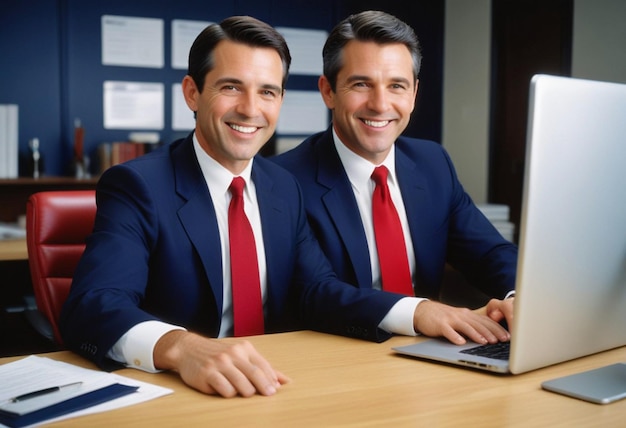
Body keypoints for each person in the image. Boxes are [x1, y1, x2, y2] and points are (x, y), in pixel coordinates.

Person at [60, 15, 510, 399]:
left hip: (277, 384)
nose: (251, 109)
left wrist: (418, 311)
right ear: (193, 94)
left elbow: (316, 290)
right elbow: (93, 304)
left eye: (268, 92)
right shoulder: (138, 184)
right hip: (183, 392)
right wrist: (180, 347)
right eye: (231, 88)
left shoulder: (279, 186)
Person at [272, 11, 517, 341]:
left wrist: (518, 297)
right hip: (339, 356)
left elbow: (490, 253)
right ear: (328, 91)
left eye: (396, 86)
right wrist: (416, 311)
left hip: (428, 357)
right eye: (362, 84)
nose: (380, 104)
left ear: (414, 94)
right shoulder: (282, 181)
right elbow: (315, 293)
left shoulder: (433, 163)